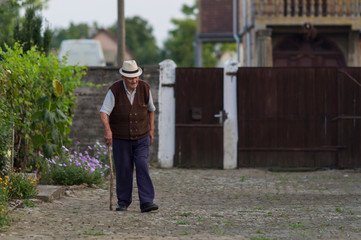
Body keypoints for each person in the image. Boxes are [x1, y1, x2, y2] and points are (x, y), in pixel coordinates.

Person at [99, 60, 158, 213]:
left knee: (142, 166)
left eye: (136, 77)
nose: (134, 80)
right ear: (124, 78)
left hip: (142, 136)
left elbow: (151, 110)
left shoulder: (145, 88)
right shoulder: (114, 90)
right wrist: (108, 131)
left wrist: (151, 130)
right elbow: (104, 112)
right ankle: (123, 202)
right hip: (120, 138)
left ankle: (146, 202)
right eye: (131, 78)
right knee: (124, 169)